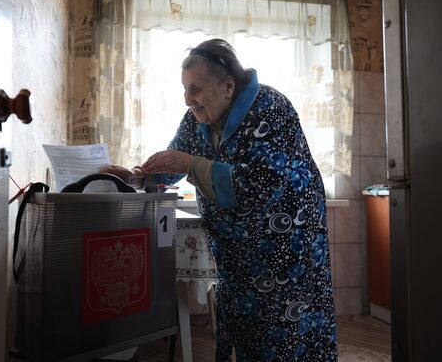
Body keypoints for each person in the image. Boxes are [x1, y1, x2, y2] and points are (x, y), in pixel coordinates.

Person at [104, 38, 337, 361]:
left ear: (228, 86)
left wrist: (189, 164)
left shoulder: (270, 108)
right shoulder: (195, 120)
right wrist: (139, 176)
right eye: (185, 89)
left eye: (196, 89)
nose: (188, 100)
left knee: (285, 335)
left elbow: (258, 186)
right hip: (235, 256)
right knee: (245, 331)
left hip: (286, 251)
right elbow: (174, 162)